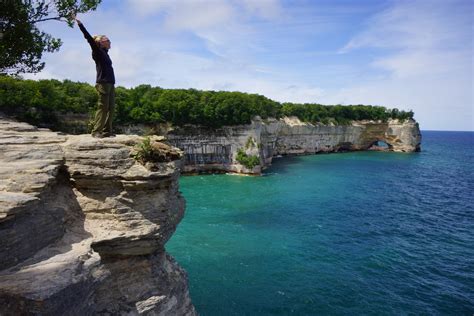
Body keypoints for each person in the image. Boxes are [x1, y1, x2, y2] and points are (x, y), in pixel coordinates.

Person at [74, 16, 115, 138]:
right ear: (101, 42)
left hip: (111, 83)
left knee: (111, 108)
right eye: (108, 40)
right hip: (103, 83)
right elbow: (89, 39)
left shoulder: (106, 54)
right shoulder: (97, 51)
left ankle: (107, 131)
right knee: (103, 107)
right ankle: (96, 131)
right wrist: (81, 25)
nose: (110, 42)